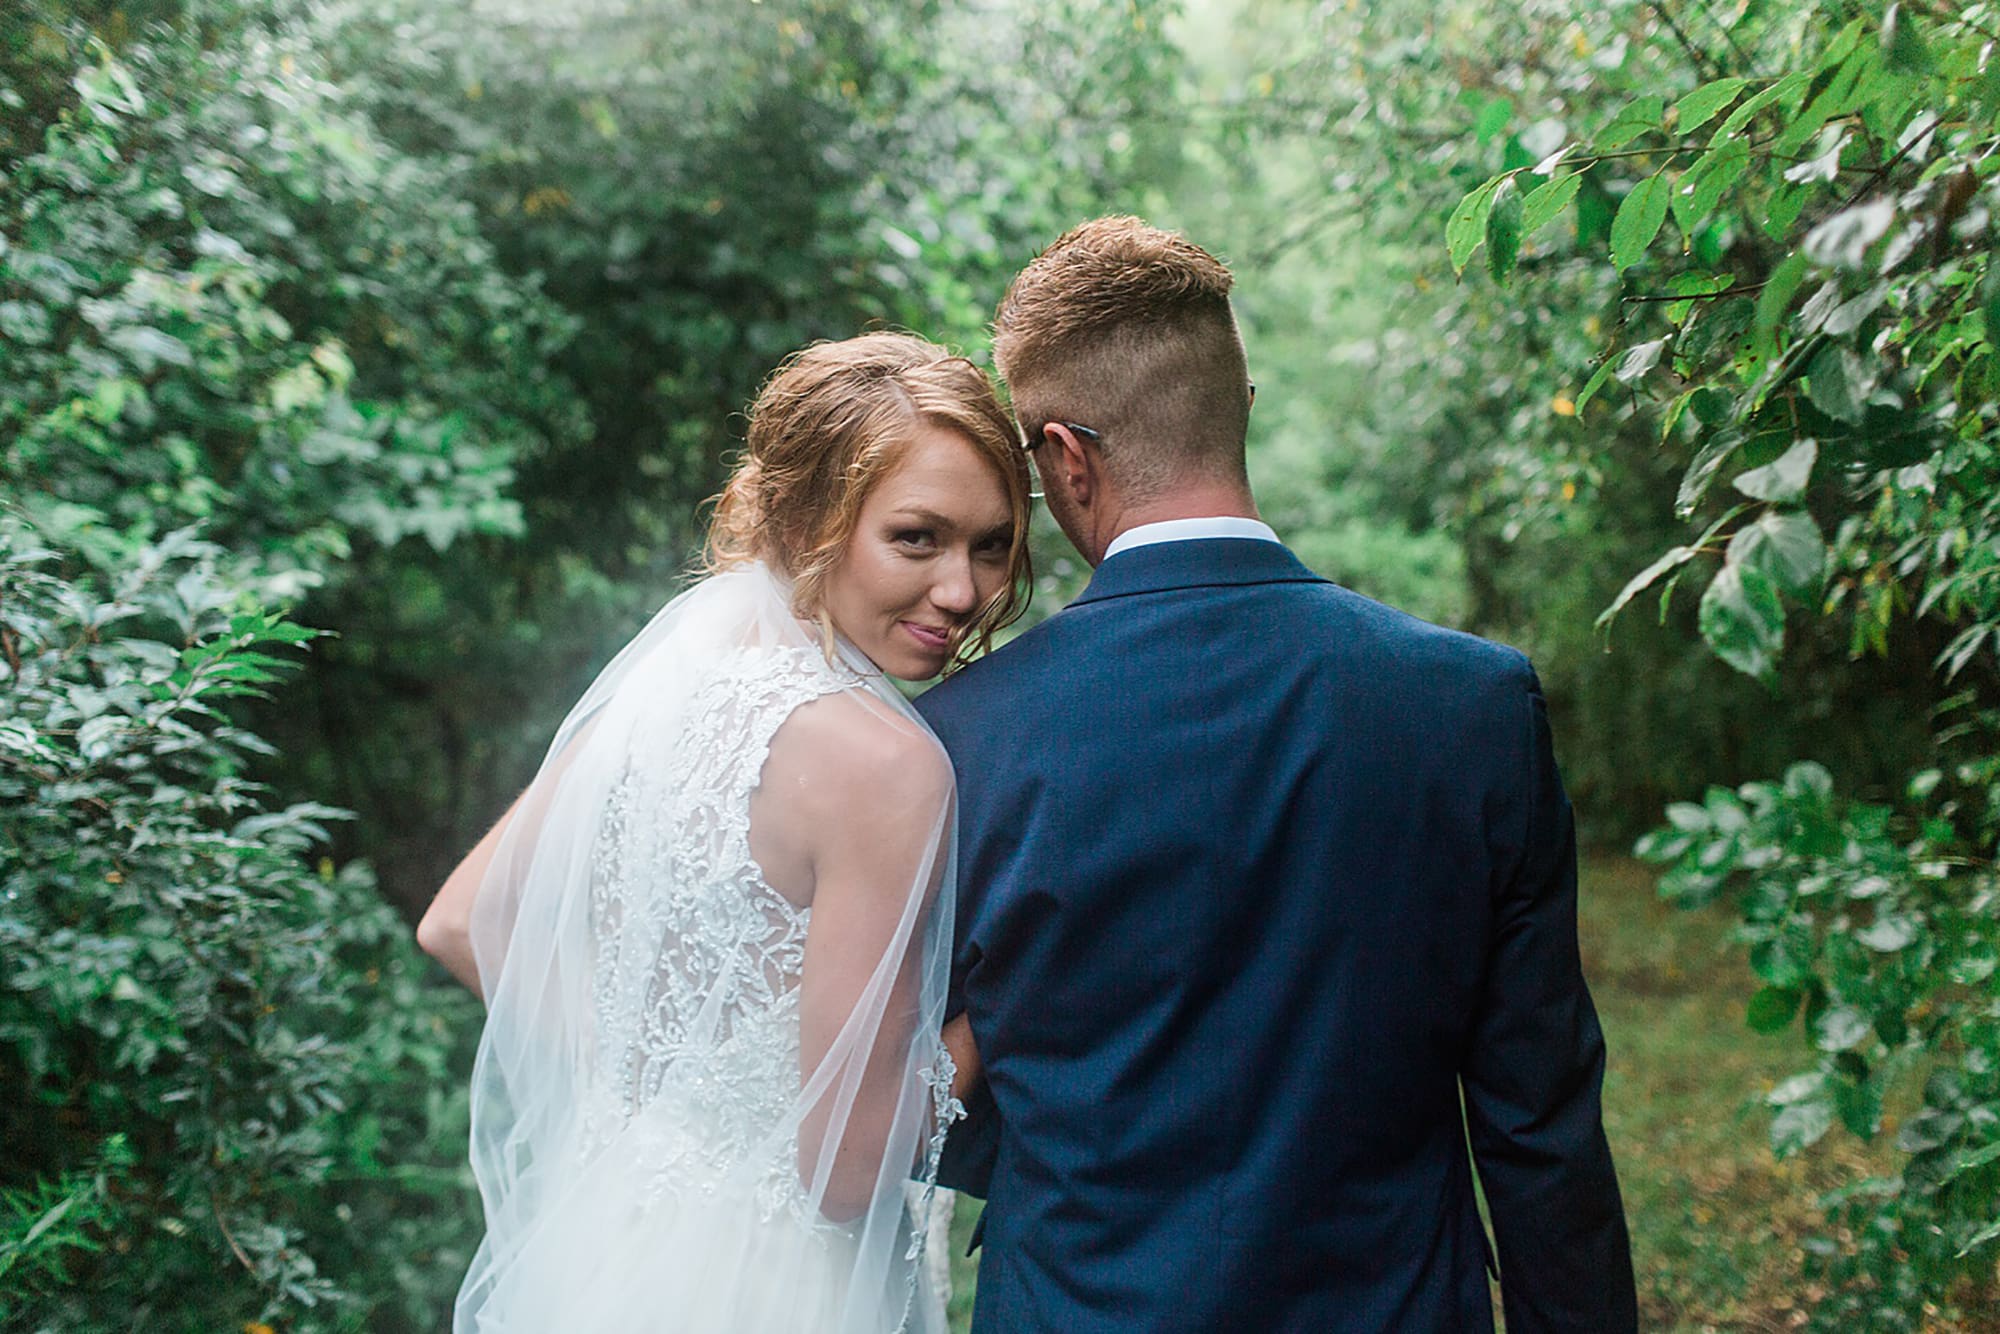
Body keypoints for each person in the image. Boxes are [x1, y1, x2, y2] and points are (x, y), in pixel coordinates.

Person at [916, 218, 1638, 1333]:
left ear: (1066, 459)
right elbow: (1538, 1122)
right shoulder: (1473, 705)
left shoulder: (961, 736)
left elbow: (932, 1090)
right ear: (1239, 407)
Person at [415, 332, 1032, 1334]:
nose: (962, 590)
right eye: (916, 537)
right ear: (805, 516)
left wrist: (658, 1103)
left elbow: (461, 920)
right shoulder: (884, 763)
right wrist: (1009, 1004)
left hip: (612, 1250)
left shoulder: (681, 663)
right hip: (777, 1286)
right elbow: (844, 1167)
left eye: (991, 543)